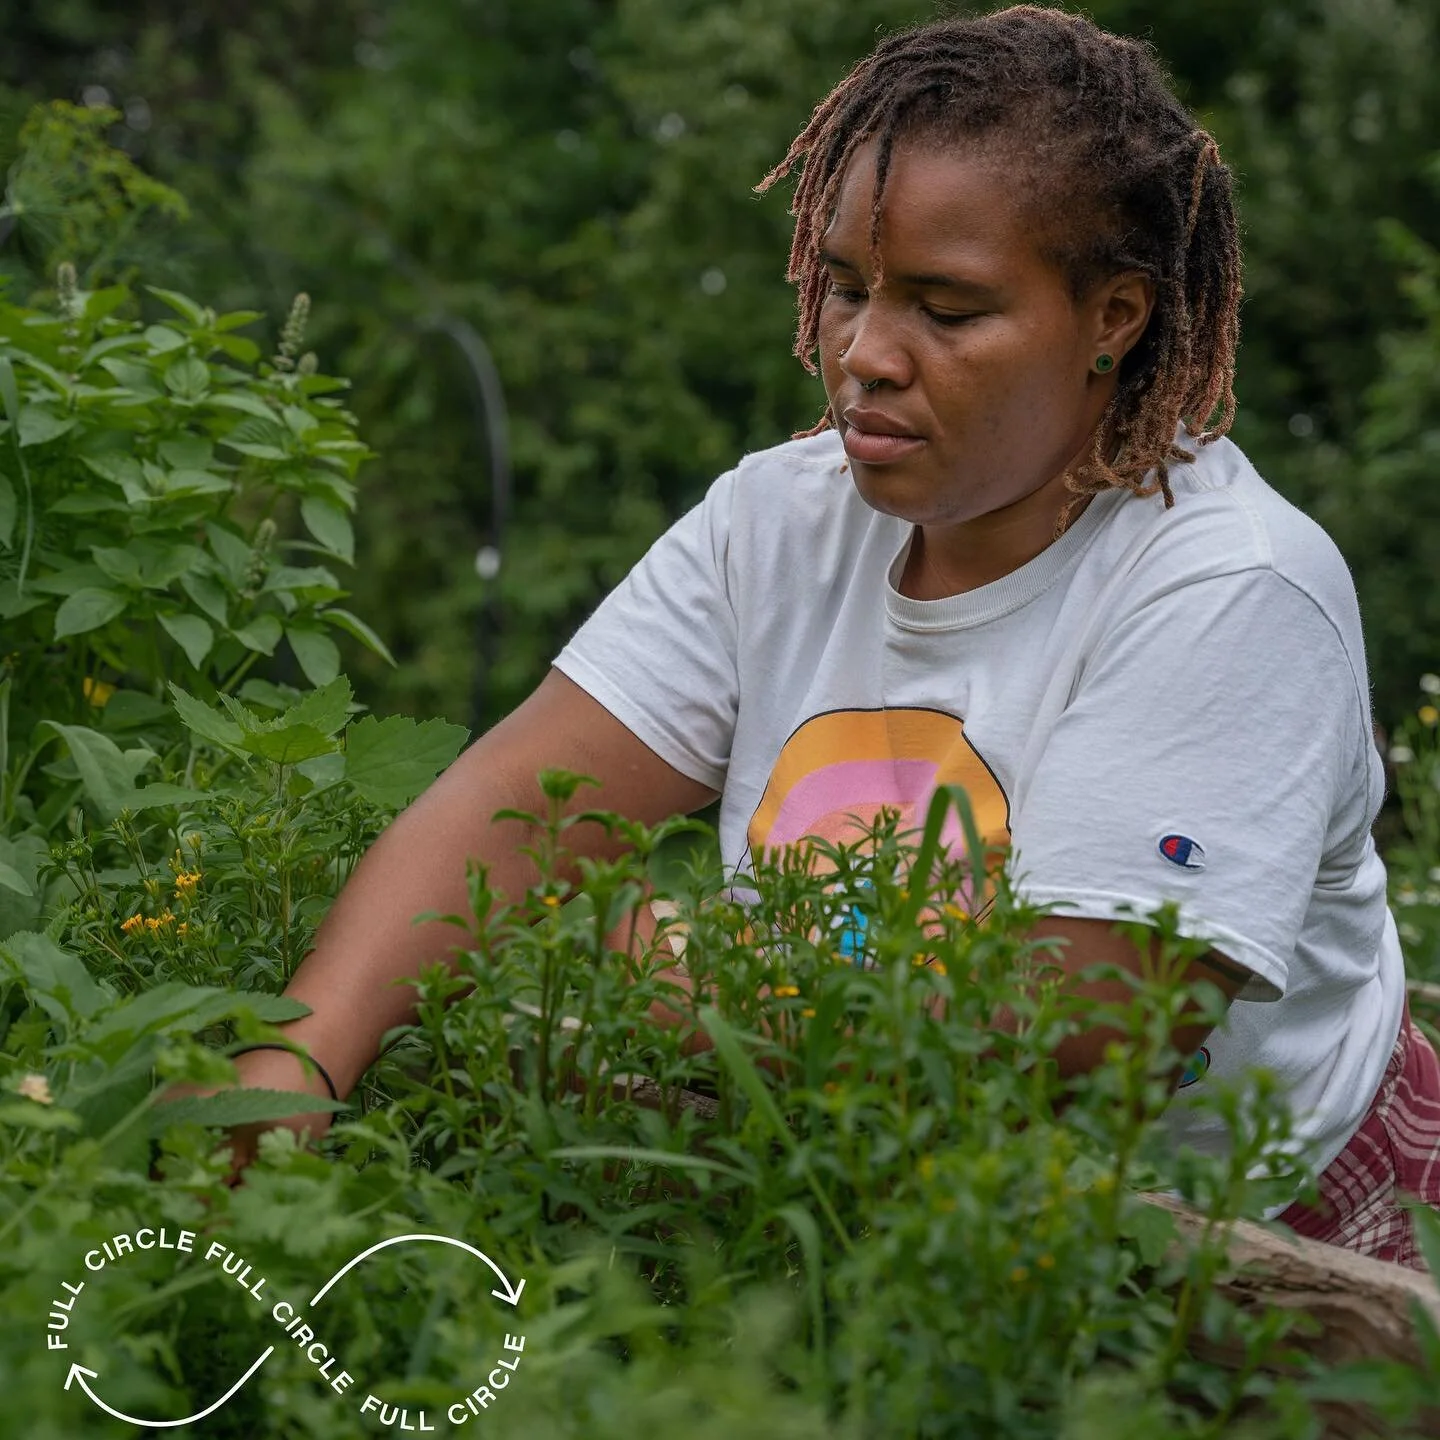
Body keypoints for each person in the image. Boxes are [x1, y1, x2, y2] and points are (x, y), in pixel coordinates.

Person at [220, 5, 1440, 1269]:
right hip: (871, 1185)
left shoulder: (1230, 589)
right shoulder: (780, 518)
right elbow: (513, 801)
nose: (864, 354)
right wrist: (291, 1066)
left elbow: (1082, 1034)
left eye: (947, 310)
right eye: (850, 287)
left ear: (1115, 318)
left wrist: (668, 978)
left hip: (1261, 1258)